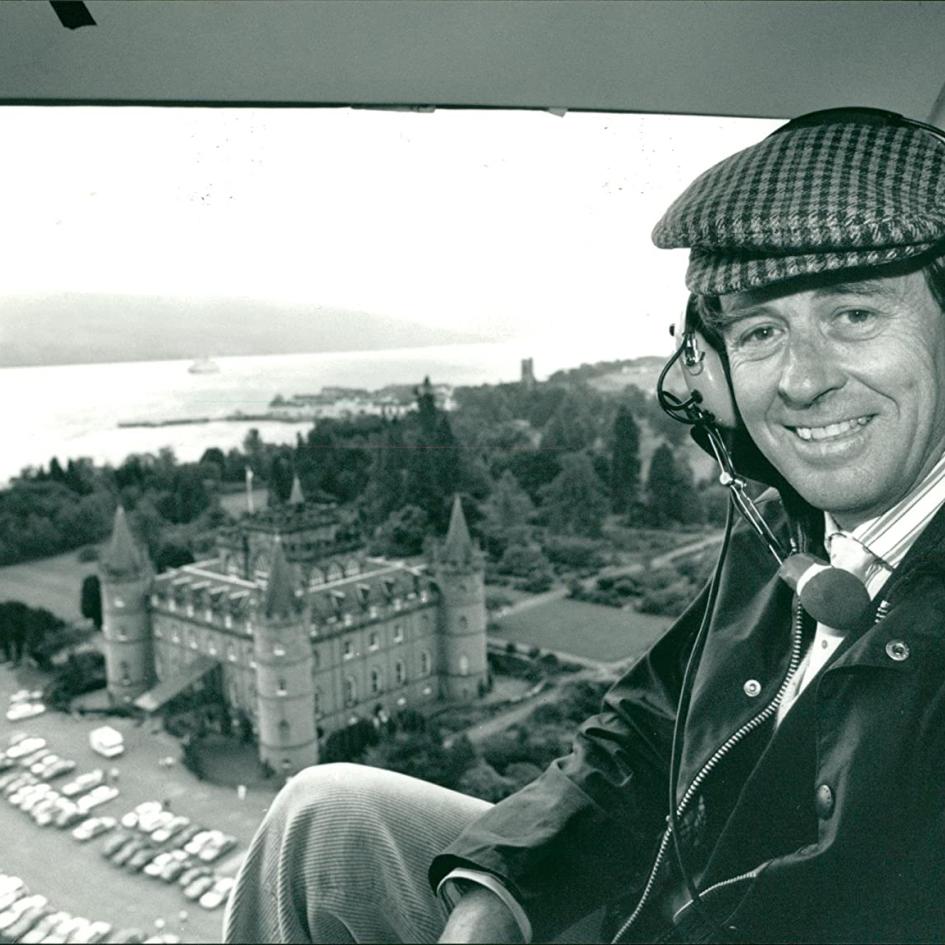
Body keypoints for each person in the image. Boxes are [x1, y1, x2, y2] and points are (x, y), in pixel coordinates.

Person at [223, 108, 945, 944]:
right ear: (707, 372)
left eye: (853, 314)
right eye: (759, 331)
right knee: (327, 818)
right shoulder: (776, 523)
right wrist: (502, 883)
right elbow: (648, 729)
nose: (803, 379)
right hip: (664, 889)